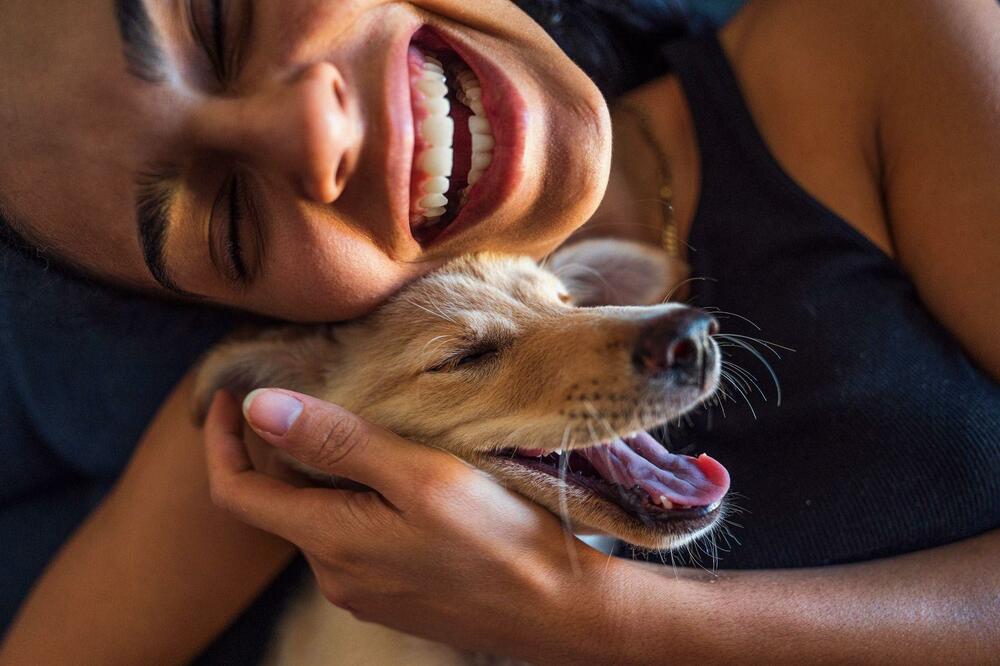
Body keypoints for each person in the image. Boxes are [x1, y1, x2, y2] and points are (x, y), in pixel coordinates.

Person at [1, 0, 998, 662]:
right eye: (228, 220)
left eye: (222, 16)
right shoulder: (312, 401)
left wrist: (589, 615)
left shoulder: (894, 43)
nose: (310, 128)